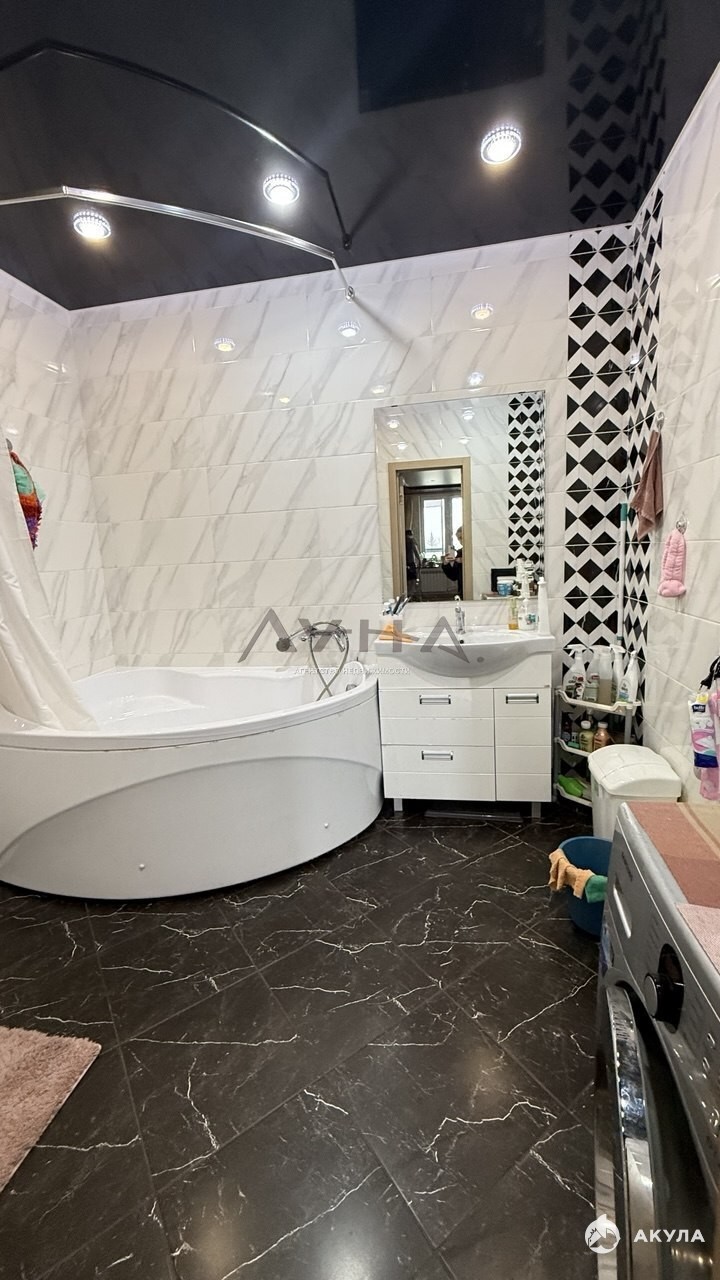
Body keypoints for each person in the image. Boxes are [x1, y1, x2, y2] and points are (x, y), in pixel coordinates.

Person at [442, 525, 464, 597]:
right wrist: (446, 564)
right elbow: (454, 576)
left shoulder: (477, 551)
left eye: (461, 538)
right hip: (462, 590)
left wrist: (465, 561)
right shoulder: (460, 552)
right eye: (459, 539)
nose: (460, 541)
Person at [405, 528, 422, 597]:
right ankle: (410, 594)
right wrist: (419, 561)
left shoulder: (411, 542)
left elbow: (416, 551)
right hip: (409, 563)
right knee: (410, 581)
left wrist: (419, 561)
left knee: (412, 580)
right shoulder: (409, 542)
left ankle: (410, 594)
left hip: (411, 563)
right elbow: (416, 552)